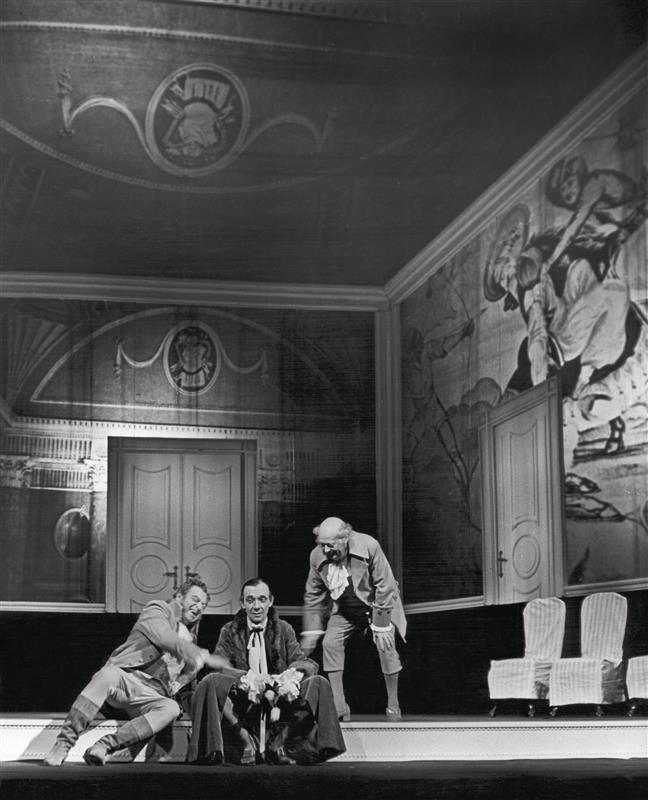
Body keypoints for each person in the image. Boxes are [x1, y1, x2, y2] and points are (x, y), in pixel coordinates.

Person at [43, 577, 225, 766]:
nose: (199, 607)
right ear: (179, 597)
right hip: (126, 681)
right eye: (195, 600)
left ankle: (104, 746)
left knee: (171, 708)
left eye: (203, 605)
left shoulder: (190, 639)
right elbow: (164, 637)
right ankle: (63, 744)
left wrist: (186, 677)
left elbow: (184, 682)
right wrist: (198, 653)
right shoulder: (158, 610)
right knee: (106, 675)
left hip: (150, 696)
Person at [188, 577, 345, 766]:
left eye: (262, 599)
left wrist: (286, 679)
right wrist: (246, 679)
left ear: (270, 601)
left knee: (318, 682)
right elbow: (220, 664)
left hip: (279, 700)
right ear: (242, 603)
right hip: (244, 698)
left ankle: (279, 744)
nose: (256, 606)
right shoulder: (229, 630)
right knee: (212, 680)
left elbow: (303, 662)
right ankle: (247, 741)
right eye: (250, 600)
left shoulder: (283, 629)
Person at [301, 516, 407, 721]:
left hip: (377, 605)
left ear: (345, 538)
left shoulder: (369, 545)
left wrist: (381, 625)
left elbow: (385, 585)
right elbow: (313, 594)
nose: (325, 550)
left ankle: (393, 703)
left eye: (330, 545)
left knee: (386, 645)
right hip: (346, 610)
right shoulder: (316, 556)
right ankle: (340, 706)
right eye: (322, 545)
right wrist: (312, 631)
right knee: (330, 643)